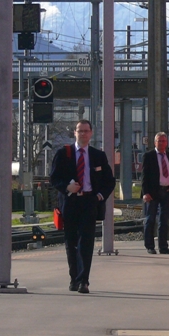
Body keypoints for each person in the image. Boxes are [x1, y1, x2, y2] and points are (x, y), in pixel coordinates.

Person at [49, 119, 115, 293]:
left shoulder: (98, 155)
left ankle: (84, 280)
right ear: (74, 133)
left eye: (86, 131)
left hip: (89, 202)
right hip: (70, 202)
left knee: (86, 242)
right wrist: (66, 188)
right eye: (80, 131)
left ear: (91, 133)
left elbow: (109, 181)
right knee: (71, 242)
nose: (83, 134)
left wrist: (99, 196)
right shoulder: (64, 153)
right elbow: (54, 178)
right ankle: (74, 278)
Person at [140, 131, 169, 255]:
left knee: (164, 220)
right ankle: (150, 246)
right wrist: (145, 193)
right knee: (150, 219)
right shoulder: (149, 156)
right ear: (155, 142)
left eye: (163, 141)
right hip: (153, 192)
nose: (161, 143)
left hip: (167, 191)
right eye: (159, 141)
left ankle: (163, 247)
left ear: (166, 142)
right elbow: (144, 176)